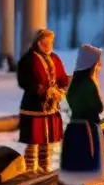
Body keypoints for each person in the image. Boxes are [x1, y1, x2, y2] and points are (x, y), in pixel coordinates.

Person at [59, 44, 104, 185]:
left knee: (72, 174)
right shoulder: (88, 83)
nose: (99, 66)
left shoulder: (74, 82)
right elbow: (98, 107)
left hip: (72, 129)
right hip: (85, 131)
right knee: (79, 174)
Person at [17, 28, 69, 174]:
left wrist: (61, 90)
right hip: (33, 106)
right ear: (38, 43)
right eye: (45, 43)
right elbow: (24, 82)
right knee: (33, 140)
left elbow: (62, 78)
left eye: (50, 43)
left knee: (48, 141)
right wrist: (42, 90)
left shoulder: (55, 58)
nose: (48, 46)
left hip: (51, 107)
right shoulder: (28, 60)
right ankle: (30, 170)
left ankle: (44, 169)